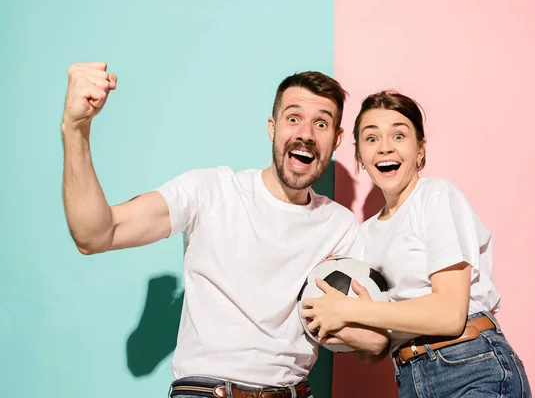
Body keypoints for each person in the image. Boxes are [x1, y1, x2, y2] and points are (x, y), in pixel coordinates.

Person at [60, 61, 389, 398]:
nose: (305, 133)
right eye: (293, 118)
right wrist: (76, 128)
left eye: (321, 123)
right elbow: (96, 234)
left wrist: (355, 325)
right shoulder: (210, 191)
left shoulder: (340, 226)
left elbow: (372, 346)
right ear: (272, 128)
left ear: (335, 140)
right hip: (206, 391)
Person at [301, 90, 532, 397]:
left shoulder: (435, 196)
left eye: (399, 136)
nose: (385, 148)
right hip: (411, 377)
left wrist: (349, 309)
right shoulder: (364, 237)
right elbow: (376, 348)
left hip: (470, 365)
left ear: (420, 149)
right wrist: (334, 322)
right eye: (371, 139)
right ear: (359, 156)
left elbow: (449, 314)